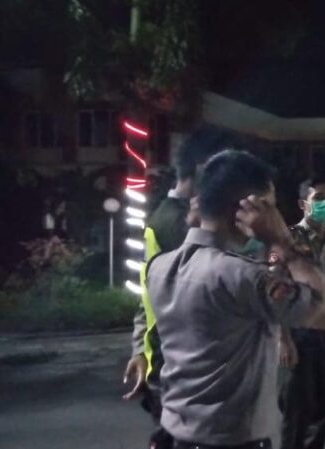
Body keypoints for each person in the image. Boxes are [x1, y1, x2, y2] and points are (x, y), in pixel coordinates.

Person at [145, 150, 325, 449]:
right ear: (246, 207)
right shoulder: (242, 277)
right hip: (232, 440)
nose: (273, 215)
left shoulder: (160, 267)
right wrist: (283, 242)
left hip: (178, 434)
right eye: (268, 207)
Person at [123, 128, 220, 449]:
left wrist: (139, 350)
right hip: (180, 360)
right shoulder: (180, 223)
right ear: (202, 169)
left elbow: (145, 296)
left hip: (169, 355)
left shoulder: (163, 218)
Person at [278, 177, 325, 449]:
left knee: (324, 407)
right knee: (297, 411)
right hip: (299, 334)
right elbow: (275, 292)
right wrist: (283, 339)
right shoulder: (288, 240)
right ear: (303, 204)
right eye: (319, 198)